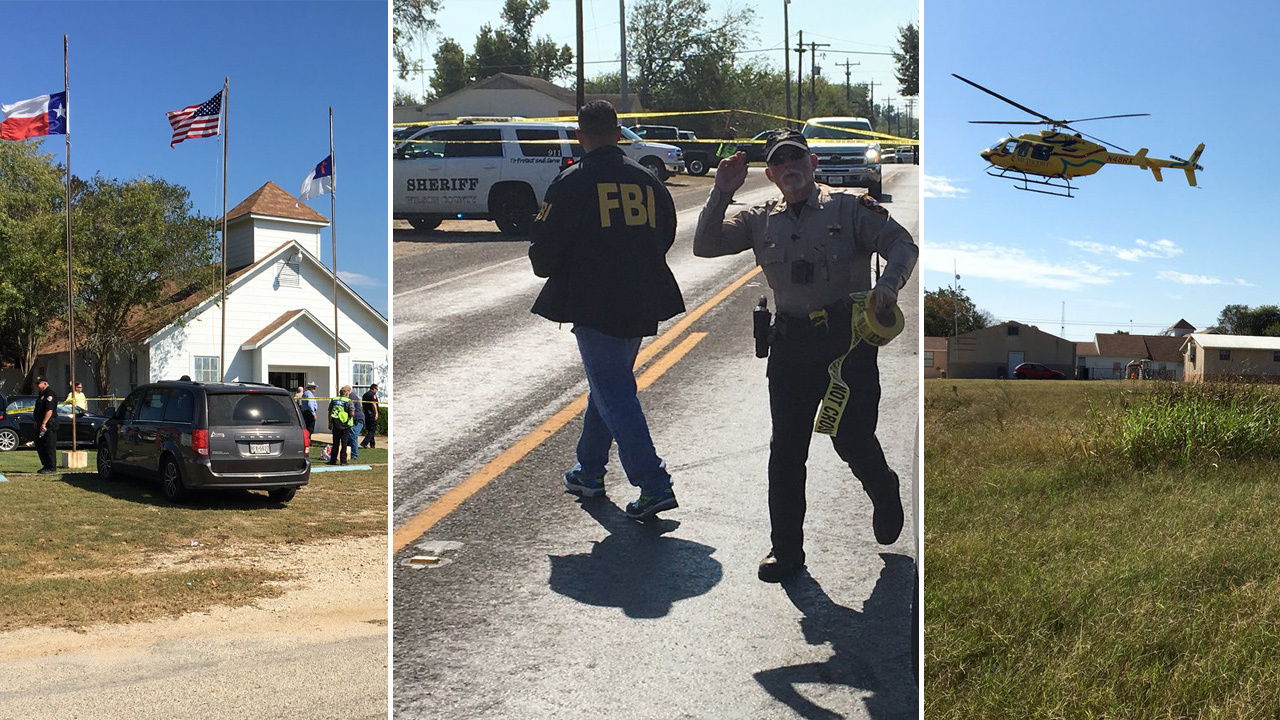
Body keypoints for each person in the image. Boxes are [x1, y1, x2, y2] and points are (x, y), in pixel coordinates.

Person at [693, 128, 918, 582]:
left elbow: (902, 244)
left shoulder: (849, 207)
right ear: (771, 173)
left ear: (813, 164)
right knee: (787, 450)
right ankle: (787, 552)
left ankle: (883, 487)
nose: (790, 167)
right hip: (791, 345)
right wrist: (721, 192)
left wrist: (888, 286)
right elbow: (705, 244)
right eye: (780, 161)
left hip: (847, 344)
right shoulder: (760, 218)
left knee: (851, 439)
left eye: (798, 158)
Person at [528, 99, 686, 520]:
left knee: (614, 390)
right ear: (619, 134)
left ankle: (653, 484)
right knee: (608, 384)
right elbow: (666, 234)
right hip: (641, 298)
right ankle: (590, 471)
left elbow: (544, 255)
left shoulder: (570, 183)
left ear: (580, 137)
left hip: (594, 301)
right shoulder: (649, 180)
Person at [32, 376, 60, 474]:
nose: (37, 385)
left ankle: (52, 467)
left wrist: (43, 423)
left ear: (45, 384)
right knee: (40, 444)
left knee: (49, 445)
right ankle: (46, 465)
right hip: (41, 423)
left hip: (49, 423)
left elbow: (49, 411)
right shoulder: (41, 394)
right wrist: (37, 421)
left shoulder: (50, 394)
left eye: (38, 383)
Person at [327, 384, 354, 465]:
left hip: (335, 424)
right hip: (345, 424)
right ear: (347, 393)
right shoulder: (348, 401)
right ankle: (343, 461)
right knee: (344, 443)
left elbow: (330, 412)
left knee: (335, 443)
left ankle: (333, 460)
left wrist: (330, 422)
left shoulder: (334, 400)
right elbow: (352, 413)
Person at [360, 383, 380, 449]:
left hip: (366, 414)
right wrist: (376, 413)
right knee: (373, 429)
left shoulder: (365, 395)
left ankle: (372, 444)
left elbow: (363, 404)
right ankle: (364, 442)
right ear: (373, 388)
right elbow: (373, 404)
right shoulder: (373, 395)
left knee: (370, 430)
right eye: (376, 389)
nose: (377, 390)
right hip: (372, 414)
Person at [347, 386, 364, 461]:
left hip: (358, 420)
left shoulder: (352, 397)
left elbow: (351, 410)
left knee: (353, 436)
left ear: (348, 391)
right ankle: (348, 453)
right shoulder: (348, 397)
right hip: (353, 420)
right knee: (349, 436)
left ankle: (354, 455)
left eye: (344, 392)